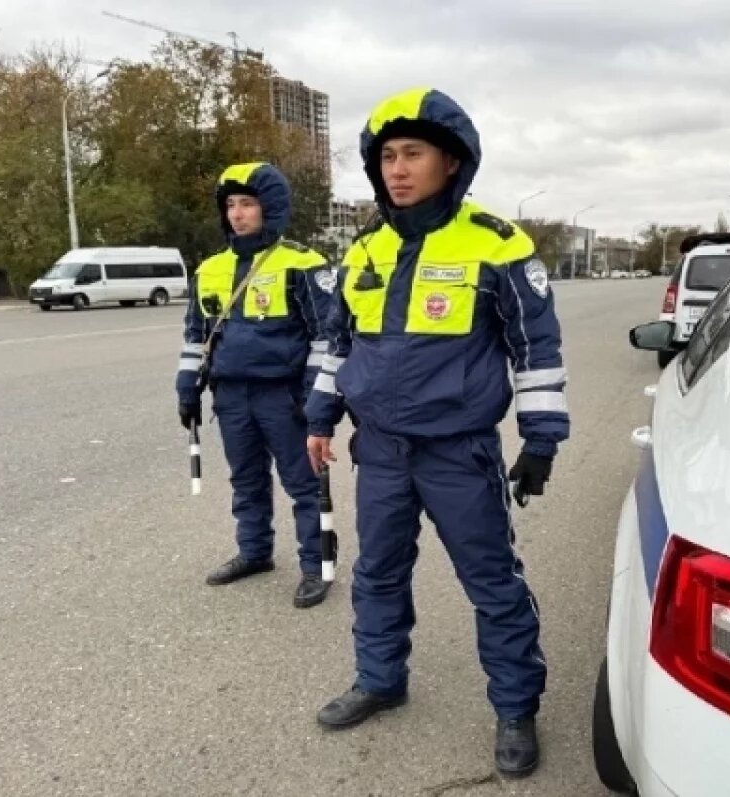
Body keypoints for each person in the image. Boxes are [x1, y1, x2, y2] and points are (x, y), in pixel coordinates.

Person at [304, 88, 569, 778]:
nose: (397, 168)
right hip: (382, 448)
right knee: (377, 572)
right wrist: (318, 415)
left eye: (412, 153)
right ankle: (380, 678)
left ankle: (515, 706)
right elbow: (337, 342)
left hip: (459, 451)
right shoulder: (365, 249)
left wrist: (540, 439)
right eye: (387, 156)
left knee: (491, 582)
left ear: (451, 161)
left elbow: (535, 347)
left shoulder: (495, 243)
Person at [176, 162, 337, 609]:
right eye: (230, 205)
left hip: (283, 394)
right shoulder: (210, 268)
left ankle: (317, 564)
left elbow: (327, 336)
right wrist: (187, 386)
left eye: (247, 203)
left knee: (303, 483)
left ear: (271, 207)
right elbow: (195, 334)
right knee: (246, 479)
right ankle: (254, 552)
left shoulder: (303, 264)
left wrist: (316, 396)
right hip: (230, 394)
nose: (237, 214)